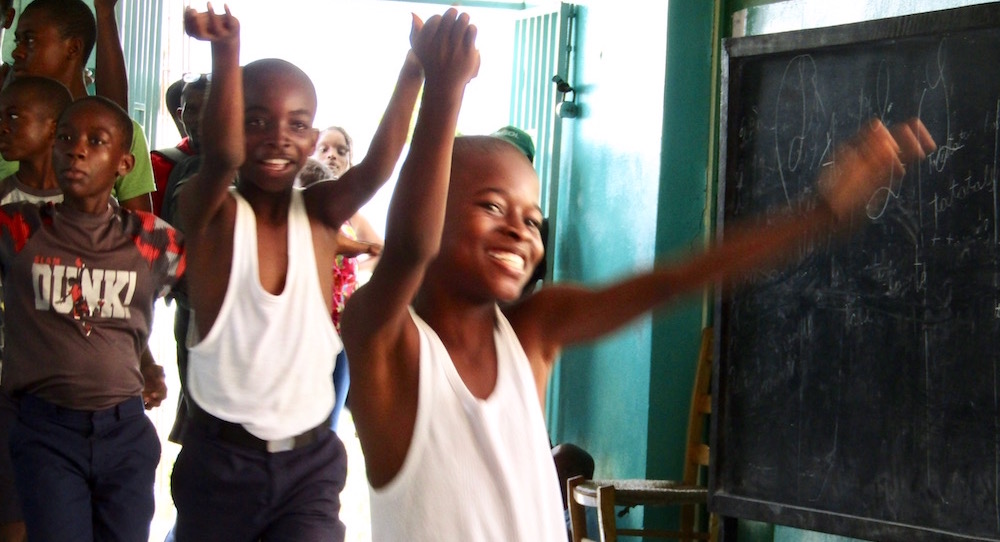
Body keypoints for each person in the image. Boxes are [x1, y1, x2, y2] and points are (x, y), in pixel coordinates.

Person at [339, 46, 936, 534]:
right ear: (431, 208)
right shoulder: (385, 341)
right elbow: (410, 249)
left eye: (533, 218)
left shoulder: (533, 331)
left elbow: (673, 280)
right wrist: (443, 93)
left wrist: (818, 214)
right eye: (491, 206)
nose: (519, 230)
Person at [169, 5, 448, 539]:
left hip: (309, 467)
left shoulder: (320, 216)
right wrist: (227, 51)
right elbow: (223, 156)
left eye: (296, 125)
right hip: (221, 466)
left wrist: (413, 68)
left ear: (313, 135)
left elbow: (378, 168)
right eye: (257, 121)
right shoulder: (209, 212)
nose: (278, 137)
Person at [0, 95, 184, 542]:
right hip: (45, 431)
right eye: (66, 138)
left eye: (95, 141)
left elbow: (130, 321)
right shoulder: (18, 228)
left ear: (124, 164)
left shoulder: (154, 242)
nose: (76, 149)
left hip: (124, 431)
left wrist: (147, 364)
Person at [0, 75, 72, 542]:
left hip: (72, 389)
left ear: (52, 130)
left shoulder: (85, 205)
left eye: (13, 117)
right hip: (11, 383)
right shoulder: (1, 201)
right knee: (13, 513)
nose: (1, 127)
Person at [7, 0, 155, 213]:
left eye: (29, 40)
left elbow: (143, 231)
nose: (17, 53)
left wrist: (104, 13)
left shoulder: (126, 134)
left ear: (73, 48)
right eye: (17, 41)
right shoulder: (8, 128)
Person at [152, 74, 208, 217]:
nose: (200, 120)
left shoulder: (247, 164)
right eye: (191, 110)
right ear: (179, 115)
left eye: (210, 109)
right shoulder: (157, 164)